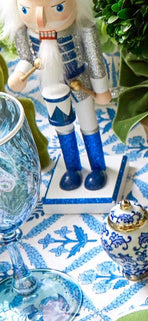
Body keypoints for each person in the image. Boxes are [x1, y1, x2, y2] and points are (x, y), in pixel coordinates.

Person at [0, 0, 111, 191]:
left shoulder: (81, 27)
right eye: (26, 9)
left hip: (80, 83)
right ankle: (72, 169)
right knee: (62, 128)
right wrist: (19, 75)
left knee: (88, 124)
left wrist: (101, 89)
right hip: (51, 86)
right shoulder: (25, 32)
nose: (40, 19)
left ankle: (97, 167)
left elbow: (94, 58)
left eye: (58, 7)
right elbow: (26, 59)